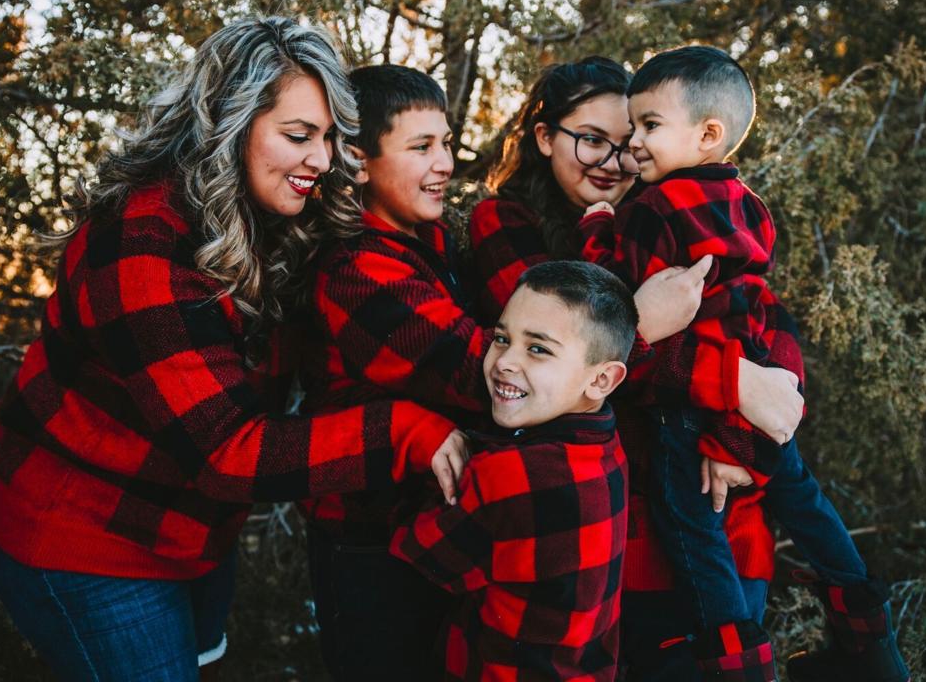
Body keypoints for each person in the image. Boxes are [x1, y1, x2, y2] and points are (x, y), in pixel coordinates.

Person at [0, 18, 460, 682]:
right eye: (298, 136)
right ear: (226, 123)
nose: (319, 160)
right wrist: (405, 431)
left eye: (328, 138)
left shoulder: (274, 209)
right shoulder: (141, 245)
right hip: (86, 536)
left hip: (194, 530)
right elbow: (228, 452)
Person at [299, 64, 704, 680]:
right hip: (377, 539)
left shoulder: (426, 242)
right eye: (421, 147)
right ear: (357, 161)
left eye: (446, 143)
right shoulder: (358, 266)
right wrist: (638, 323)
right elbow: (476, 371)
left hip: (462, 520)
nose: (444, 164)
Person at [579, 44, 909, 682]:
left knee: (696, 535)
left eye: (648, 127)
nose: (633, 147)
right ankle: (868, 631)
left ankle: (737, 663)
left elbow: (615, 303)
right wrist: (755, 403)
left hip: (688, 408)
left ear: (707, 133)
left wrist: (598, 224)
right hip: (753, 387)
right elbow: (763, 304)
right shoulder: (750, 205)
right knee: (807, 503)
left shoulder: (650, 210)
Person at [469, 56, 804, 680]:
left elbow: (768, 319)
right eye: (591, 140)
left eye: (629, 141)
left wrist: (763, 403)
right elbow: (562, 367)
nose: (614, 160)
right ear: (545, 138)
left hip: (713, 512)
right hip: (606, 532)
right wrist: (732, 377)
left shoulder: (666, 217)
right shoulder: (507, 226)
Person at [390, 261, 634, 681]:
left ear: (602, 379)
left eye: (538, 348)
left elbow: (424, 556)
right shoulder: (607, 446)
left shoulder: (508, 474)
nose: (504, 361)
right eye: (501, 338)